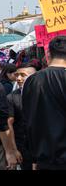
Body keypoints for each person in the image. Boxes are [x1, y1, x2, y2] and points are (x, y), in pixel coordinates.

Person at [22, 36, 66, 170]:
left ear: (48, 54)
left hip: (44, 157)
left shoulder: (31, 81)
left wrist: (33, 157)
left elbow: (28, 121)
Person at [7, 63, 37, 170]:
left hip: (43, 147)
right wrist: (14, 150)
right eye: (17, 75)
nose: (18, 78)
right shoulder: (12, 97)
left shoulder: (43, 93)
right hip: (23, 147)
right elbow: (9, 124)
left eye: (23, 75)